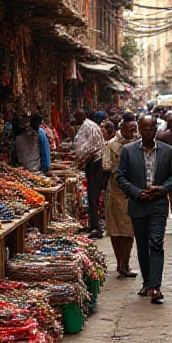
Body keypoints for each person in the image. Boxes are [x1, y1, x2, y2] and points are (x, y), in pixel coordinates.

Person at [116, 116, 172, 304]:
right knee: (142, 244)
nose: (147, 132)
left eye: (151, 129)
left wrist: (161, 189)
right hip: (138, 204)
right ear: (139, 130)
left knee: (156, 242)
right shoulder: (128, 151)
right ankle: (146, 281)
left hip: (158, 203)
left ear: (156, 129)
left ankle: (156, 287)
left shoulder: (167, 151)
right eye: (144, 129)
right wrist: (137, 193)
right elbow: (121, 177)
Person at [102, 112, 138, 278]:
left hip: (132, 192)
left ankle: (126, 262)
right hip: (116, 192)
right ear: (122, 128)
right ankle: (119, 263)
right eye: (131, 129)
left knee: (129, 230)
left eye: (135, 129)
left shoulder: (138, 144)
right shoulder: (111, 145)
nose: (133, 132)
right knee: (116, 229)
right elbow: (106, 166)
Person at [74, 110, 105, 239]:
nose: (75, 119)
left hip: (96, 163)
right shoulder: (88, 126)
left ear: (82, 116)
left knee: (93, 196)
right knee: (92, 195)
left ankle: (97, 228)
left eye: (76, 116)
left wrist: (79, 160)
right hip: (93, 162)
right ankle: (93, 224)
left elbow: (89, 147)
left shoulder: (88, 126)